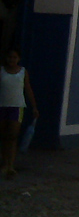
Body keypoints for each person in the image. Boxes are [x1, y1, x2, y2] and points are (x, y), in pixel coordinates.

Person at [0, 48, 38, 179]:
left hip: (17, 107)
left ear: (18, 59)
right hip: (2, 106)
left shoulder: (22, 72)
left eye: (14, 57)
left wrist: (34, 107)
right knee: (3, 136)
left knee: (13, 136)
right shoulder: (2, 71)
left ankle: (11, 164)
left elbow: (28, 89)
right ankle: (4, 163)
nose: (12, 60)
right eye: (10, 57)